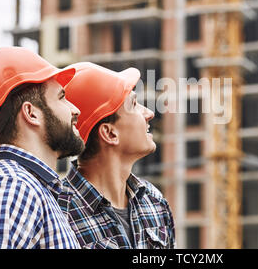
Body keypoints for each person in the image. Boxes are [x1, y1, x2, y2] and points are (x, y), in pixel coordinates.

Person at [0, 47, 85, 249]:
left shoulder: (30, 188)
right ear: (31, 114)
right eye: (61, 97)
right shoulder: (13, 185)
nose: (75, 109)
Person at [59, 62, 175, 249]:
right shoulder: (59, 212)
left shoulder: (154, 202)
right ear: (110, 134)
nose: (149, 113)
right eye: (134, 104)